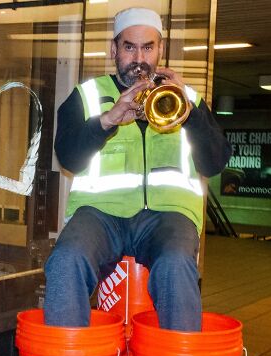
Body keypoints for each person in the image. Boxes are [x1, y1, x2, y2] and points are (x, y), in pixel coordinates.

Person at [44, 7, 232, 331]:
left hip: (168, 215)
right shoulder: (86, 96)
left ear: (161, 49)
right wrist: (106, 121)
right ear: (114, 50)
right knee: (66, 259)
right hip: (101, 214)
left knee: (176, 264)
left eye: (148, 47)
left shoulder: (185, 98)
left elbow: (215, 162)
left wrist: (190, 114)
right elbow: (69, 158)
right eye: (130, 47)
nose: (139, 58)